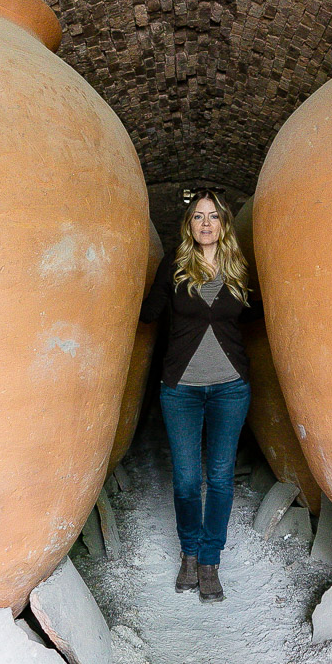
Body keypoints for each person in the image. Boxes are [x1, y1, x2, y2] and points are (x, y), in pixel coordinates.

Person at [139, 188, 260, 602]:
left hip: (230, 388)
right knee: (189, 480)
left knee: (221, 478)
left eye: (212, 216)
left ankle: (210, 561)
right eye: (197, 217)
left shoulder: (239, 268)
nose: (205, 223)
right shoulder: (174, 267)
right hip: (181, 391)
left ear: (223, 224)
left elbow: (260, 312)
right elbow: (148, 312)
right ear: (189, 225)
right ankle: (188, 554)